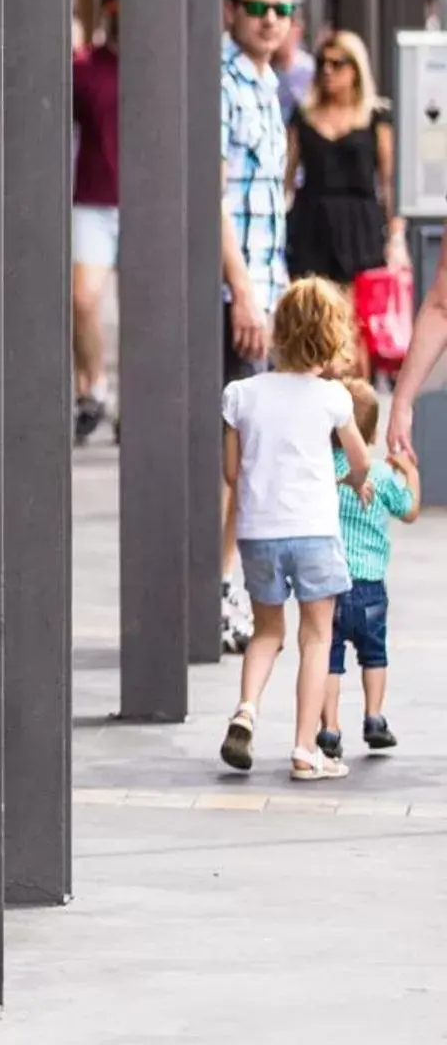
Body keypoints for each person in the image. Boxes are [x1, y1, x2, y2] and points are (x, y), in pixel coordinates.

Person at [217, 279, 368, 782]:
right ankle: (306, 750)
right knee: (316, 637)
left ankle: (245, 710)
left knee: (266, 632)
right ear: (331, 338)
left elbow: (233, 475)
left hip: (258, 532)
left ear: (279, 332)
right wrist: (355, 480)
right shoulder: (333, 399)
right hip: (314, 532)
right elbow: (360, 458)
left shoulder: (241, 395)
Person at [219, 0, 298, 654]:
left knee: (249, 453)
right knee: (234, 454)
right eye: (258, 8)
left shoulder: (267, 82)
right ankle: (219, 588)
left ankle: (224, 582)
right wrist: (243, 293)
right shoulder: (224, 82)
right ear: (230, 11)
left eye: (283, 9)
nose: (271, 20)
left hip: (263, 293)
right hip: (231, 296)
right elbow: (215, 195)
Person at [318, 378, 416, 762]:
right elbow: (409, 509)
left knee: (329, 657)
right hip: (372, 587)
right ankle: (374, 717)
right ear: (373, 432)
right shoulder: (380, 473)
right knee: (374, 655)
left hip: (329, 584)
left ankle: (329, 727)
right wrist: (409, 470)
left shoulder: (322, 470)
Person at [286, 30, 404, 299]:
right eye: (322, 63)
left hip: (360, 225)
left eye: (337, 63)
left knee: (359, 316)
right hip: (312, 222)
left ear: (356, 69)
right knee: (313, 308)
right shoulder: (303, 115)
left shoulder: (375, 116)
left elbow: (388, 180)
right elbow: (286, 176)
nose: (327, 71)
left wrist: (396, 236)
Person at [71, 0, 121, 445]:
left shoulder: (161, 63)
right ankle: (93, 390)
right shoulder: (84, 67)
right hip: (92, 201)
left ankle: (135, 402)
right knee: (83, 299)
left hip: (149, 204)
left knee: (146, 309)